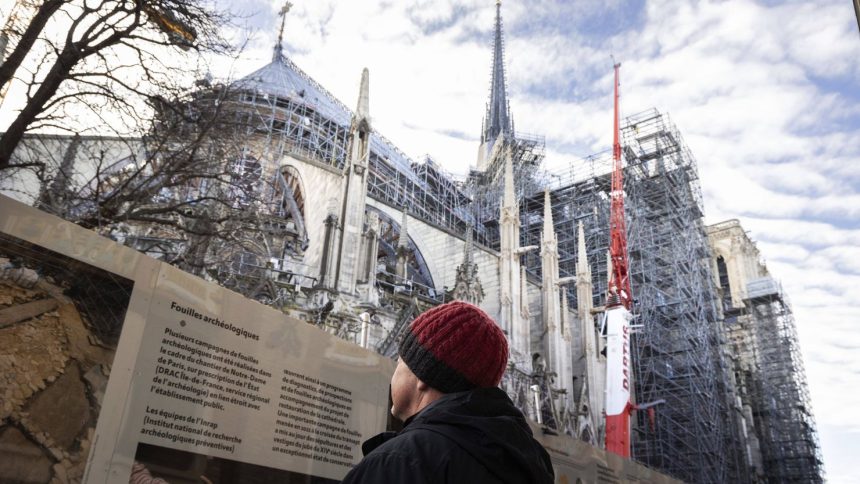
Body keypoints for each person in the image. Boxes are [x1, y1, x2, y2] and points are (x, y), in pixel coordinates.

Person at [341, 301, 555, 484]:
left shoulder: (399, 463)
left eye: (399, 363)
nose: (393, 375)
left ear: (422, 378)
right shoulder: (527, 465)